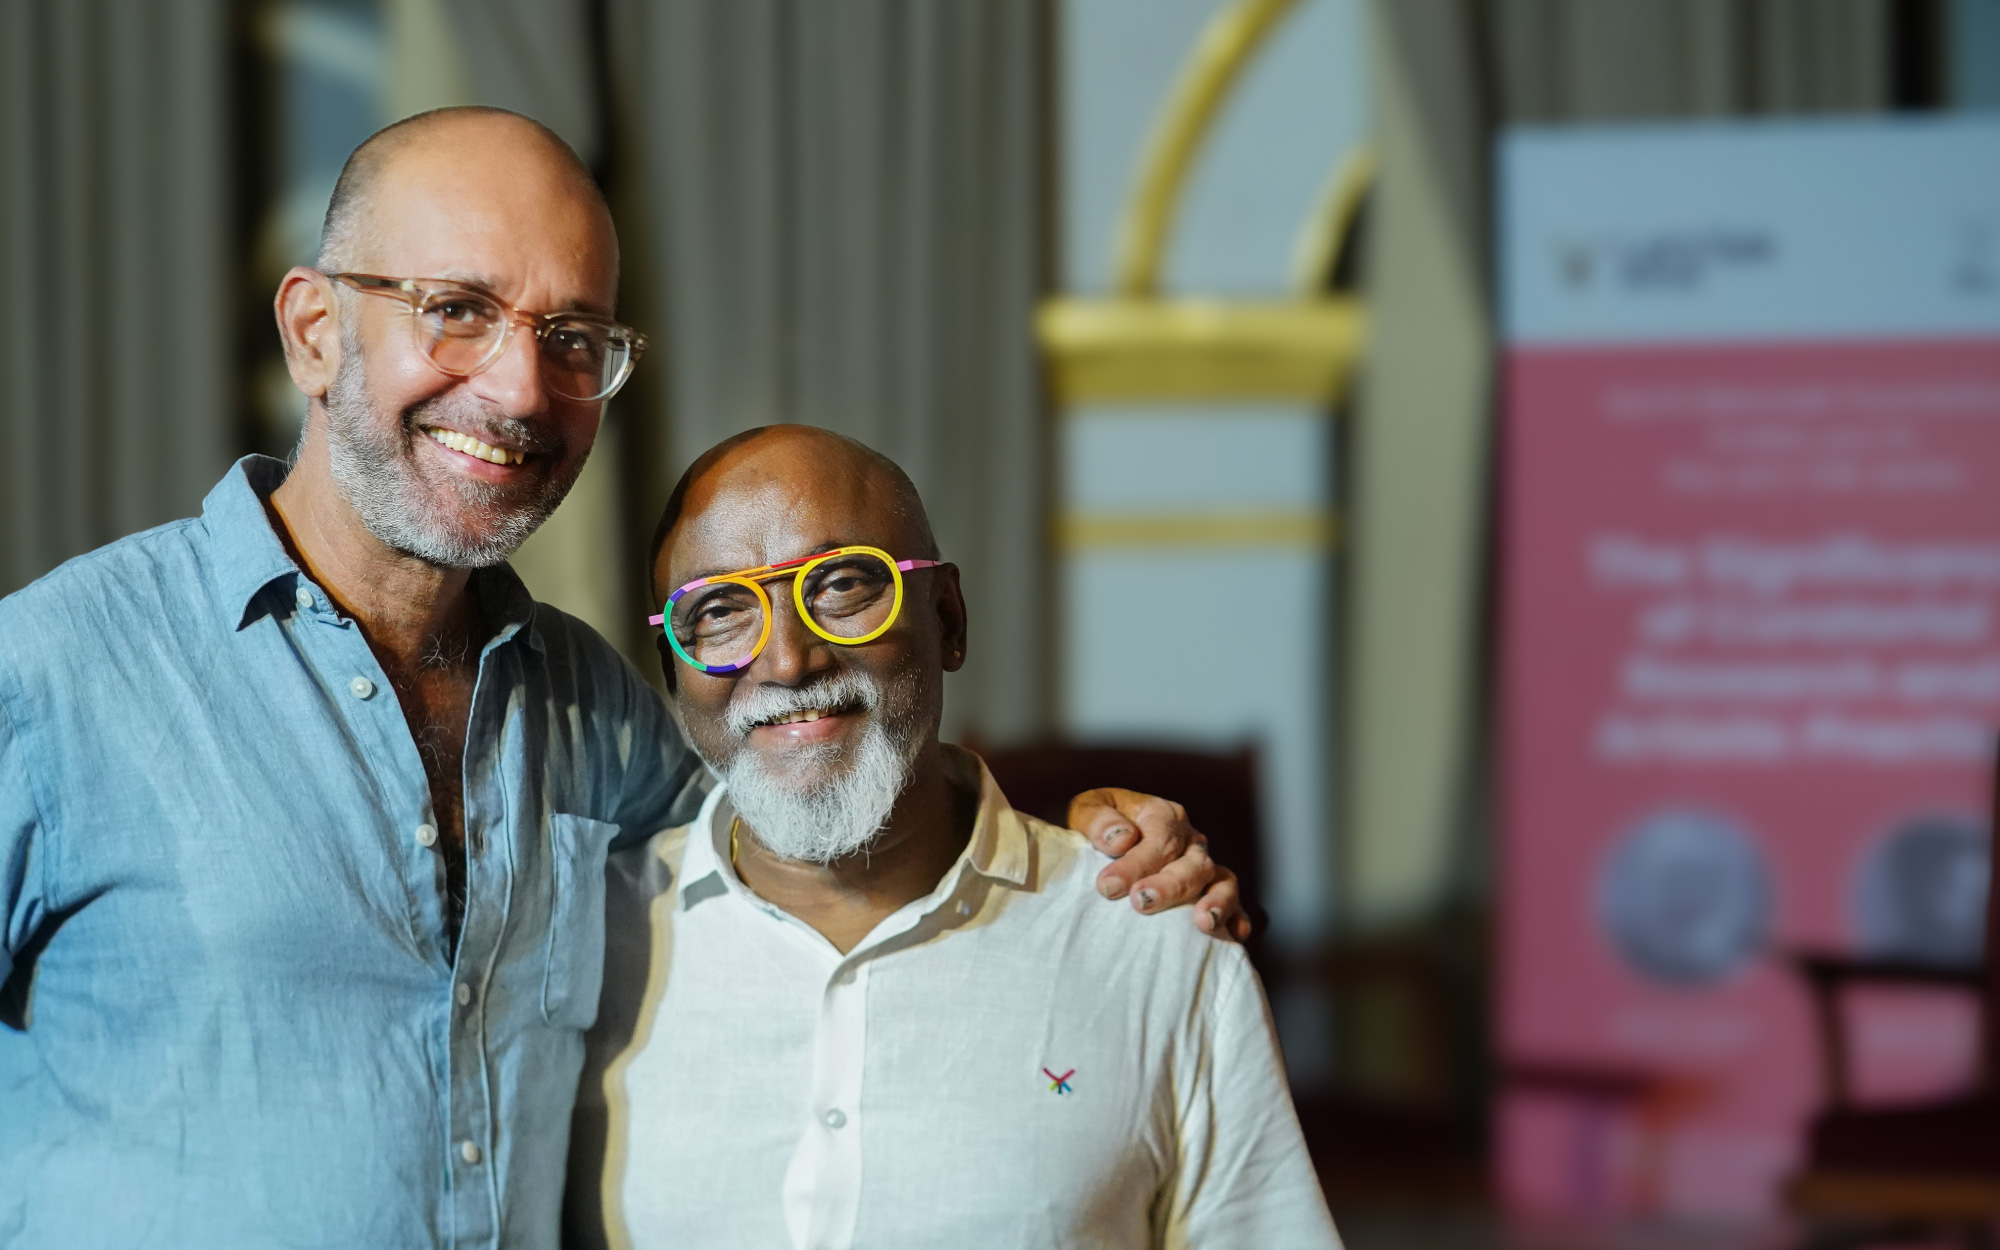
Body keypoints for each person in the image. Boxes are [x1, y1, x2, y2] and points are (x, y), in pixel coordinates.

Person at [0, 107, 1242, 1248]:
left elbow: (814, 813)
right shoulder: (52, 672)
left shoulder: (589, 708)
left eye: (571, 337)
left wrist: (1080, 845)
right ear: (316, 330)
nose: (519, 388)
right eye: (457, 307)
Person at [568, 425, 1340, 1250]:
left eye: (841, 586)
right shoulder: (580, 945)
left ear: (949, 618)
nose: (788, 660)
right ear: (672, 672)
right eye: (719, 611)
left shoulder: (1151, 941)